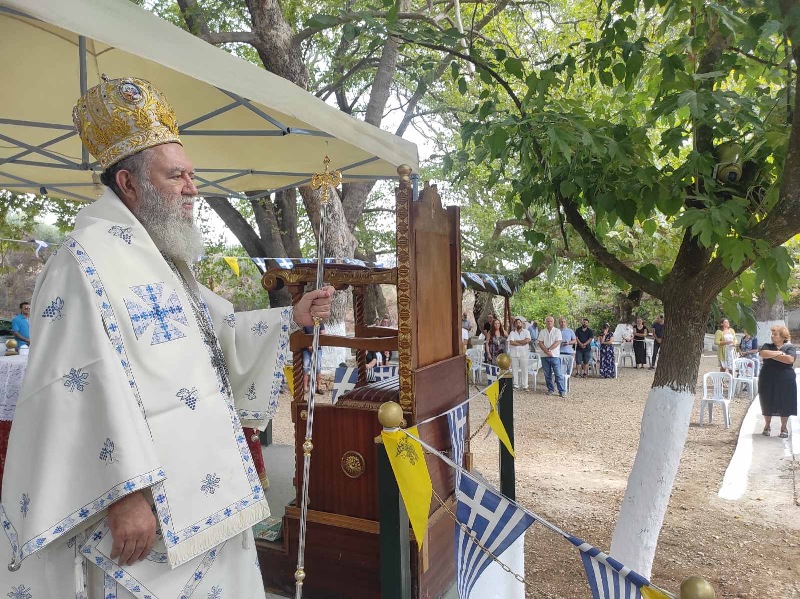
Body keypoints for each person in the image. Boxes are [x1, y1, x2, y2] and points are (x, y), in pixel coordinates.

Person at [0, 76, 333, 598]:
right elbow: (75, 382)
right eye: (176, 176)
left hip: (206, 489)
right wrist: (123, 494)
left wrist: (291, 318)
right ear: (128, 183)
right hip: (147, 505)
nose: (192, 189)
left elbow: (216, 334)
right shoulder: (81, 260)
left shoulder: (164, 258)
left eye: (191, 175)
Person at [758, 326, 797, 438]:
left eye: (775, 334)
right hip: (767, 378)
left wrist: (772, 355)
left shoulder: (790, 347)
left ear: (783, 337)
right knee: (767, 400)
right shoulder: (767, 345)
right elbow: (763, 354)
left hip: (785, 379)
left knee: (785, 401)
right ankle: (767, 426)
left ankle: (784, 427)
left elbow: (789, 359)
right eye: (772, 334)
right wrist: (780, 353)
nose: (772, 336)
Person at [538, 316, 565, 397]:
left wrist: (549, 350)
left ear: (553, 322)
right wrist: (546, 351)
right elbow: (540, 343)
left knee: (558, 374)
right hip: (544, 356)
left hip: (555, 356)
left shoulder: (557, 331)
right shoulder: (542, 332)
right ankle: (550, 389)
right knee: (547, 374)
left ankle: (562, 391)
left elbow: (558, 342)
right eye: (548, 321)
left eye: (551, 321)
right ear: (545, 322)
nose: (549, 322)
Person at [507, 318, 531, 390]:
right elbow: (511, 342)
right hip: (514, 354)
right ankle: (515, 385)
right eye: (516, 323)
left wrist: (516, 341)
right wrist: (521, 343)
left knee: (524, 370)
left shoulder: (526, 332)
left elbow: (526, 341)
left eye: (519, 322)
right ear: (514, 325)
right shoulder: (512, 333)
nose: (518, 324)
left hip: (524, 354)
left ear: (521, 323)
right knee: (514, 370)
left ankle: (525, 385)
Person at [302, 323, 325, 394]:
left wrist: (315, 346)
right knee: (305, 368)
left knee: (318, 368)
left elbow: (323, 335)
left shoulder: (320, 322)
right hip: (306, 348)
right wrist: (308, 346)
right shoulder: (305, 322)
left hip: (317, 348)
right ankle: (305, 388)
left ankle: (319, 387)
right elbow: (302, 336)